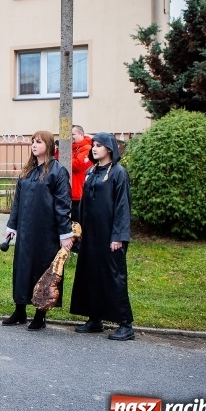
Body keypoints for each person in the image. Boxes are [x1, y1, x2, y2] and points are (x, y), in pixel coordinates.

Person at [2, 131, 74, 330]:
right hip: (25, 231)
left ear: (49, 145)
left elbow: (63, 205)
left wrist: (65, 234)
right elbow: (17, 201)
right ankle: (20, 311)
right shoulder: (27, 171)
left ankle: (40, 315)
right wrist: (12, 225)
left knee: (42, 271)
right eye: (33, 142)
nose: (34, 145)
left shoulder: (57, 171)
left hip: (46, 233)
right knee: (22, 270)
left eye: (39, 142)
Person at [69, 132, 134, 341]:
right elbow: (85, 204)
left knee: (113, 278)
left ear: (109, 149)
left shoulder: (118, 173)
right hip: (91, 235)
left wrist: (118, 236)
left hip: (110, 236)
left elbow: (123, 206)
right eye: (93, 145)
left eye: (99, 145)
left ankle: (125, 324)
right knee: (91, 275)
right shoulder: (91, 172)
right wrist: (79, 231)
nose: (94, 148)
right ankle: (95, 319)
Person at [69, 125, 93, 225]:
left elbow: (78, 165)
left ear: (81, 134)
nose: (71, 137)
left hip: (79, 193)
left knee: (78, 224)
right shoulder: (74, 148)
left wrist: (65, 156)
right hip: (72, 191)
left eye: (73, 134)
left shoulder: (87, 148)